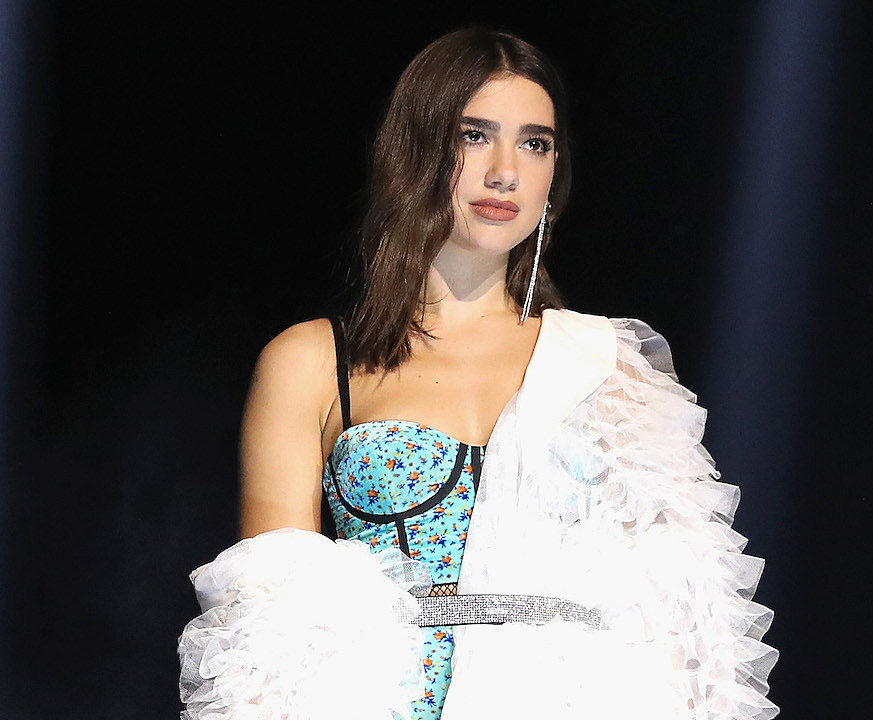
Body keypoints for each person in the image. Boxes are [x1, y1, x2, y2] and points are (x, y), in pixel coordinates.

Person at [178, 27, 779, 720]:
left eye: (535, 143)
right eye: (474, 136)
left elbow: (681, 619)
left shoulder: (607, 369)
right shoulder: (313, 361)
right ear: (415, 148)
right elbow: (270, 627)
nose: (505, 171)